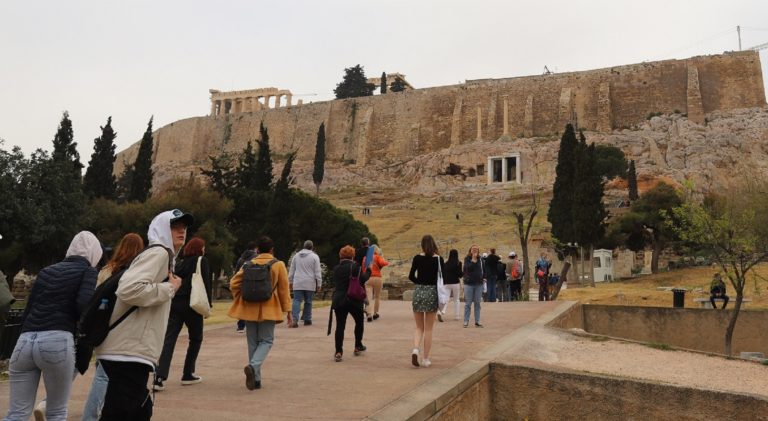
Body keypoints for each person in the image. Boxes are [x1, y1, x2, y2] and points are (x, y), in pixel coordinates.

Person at [95, 209, 190, 420]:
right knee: (130, 411)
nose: (181, 231)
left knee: (131, 410)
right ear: (162, 228)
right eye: (175, 226)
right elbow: (128, 289)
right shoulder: (159, 253)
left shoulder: (163, 256)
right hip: (128, 350)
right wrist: (170, 289)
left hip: (128, 349)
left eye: (184, 226)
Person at [4, 231, 102, 421]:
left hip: (25, 341)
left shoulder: (46, 271)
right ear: (94, 253)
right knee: (56, 413)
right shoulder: (88, 271)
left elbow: (29, 308)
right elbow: (83, 305)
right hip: (57, 339)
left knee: (16, 413)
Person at [81, 233, 144, 421]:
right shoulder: (137, 271)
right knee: (109, 377)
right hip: (124, 330)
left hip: (102, 327)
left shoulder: (107, 270)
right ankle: (90, 416)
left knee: (102, 373)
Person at [227, 236, 291, 390]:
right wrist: (287, 310)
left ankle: (255, 379)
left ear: (257, 250)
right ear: (271, 249)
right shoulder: (278, 265)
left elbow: (233, 283)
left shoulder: (249, 264)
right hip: (269, 307)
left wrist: (240, 297)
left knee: (252, 343)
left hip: (249, 307)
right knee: (267, 341)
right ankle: (253, 366)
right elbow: (284, 289)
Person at [155, 237, 212, 391]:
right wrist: (208, 307)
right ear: (200, 249)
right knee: (195, 338)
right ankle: (188, 373)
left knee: (170, 339)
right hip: (193, 304)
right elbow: (206, 285)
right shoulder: (201, 261)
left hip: (176, 303)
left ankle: (159, 377)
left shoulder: (180, 263)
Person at [408, 235, 444, 367]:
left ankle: (415, 349)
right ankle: (426, 358)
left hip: (419, 292)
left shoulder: (417, 258)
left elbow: (411, 275)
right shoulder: (439, 259)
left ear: (422, 245)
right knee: (429, 329)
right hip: (432, 292)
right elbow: (442, 278)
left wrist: (420, 283)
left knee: (419, 327)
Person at [331, 245, 371, 362]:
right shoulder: (355, 267)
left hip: (339, 299)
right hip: (353, 299)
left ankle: (338, 351)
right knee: (359, 322)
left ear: (341, 256)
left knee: (340, 326)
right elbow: (363, 279)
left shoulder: (336, 268)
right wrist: (368, 269)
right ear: (352, 256)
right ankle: (358, 345)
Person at [288, 240, 323, 327]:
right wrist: (319, 284)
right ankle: (307, 319)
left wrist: (290, 282)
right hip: (309, 282)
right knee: (308, 301)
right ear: (312, 247)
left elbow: (292, 270)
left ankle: (295, 320)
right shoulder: (315, 257)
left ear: (303, 246)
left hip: (298, 282)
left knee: (296, 300)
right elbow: (317, 272)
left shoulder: (296, 256)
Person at [233, 242, 258, 333]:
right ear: (255, 248)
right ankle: (251, 324)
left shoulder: (241, 258)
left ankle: (241, 325)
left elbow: (236, 272)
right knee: (252, 304)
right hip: (252, 283)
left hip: (242, 283)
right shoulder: (256, 258)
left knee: (242, 304)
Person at [364, 245, 389, 322]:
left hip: (368, 278)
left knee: (369, 297)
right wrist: (385, 260)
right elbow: (384, 263)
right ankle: (375, 313)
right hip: (378, 278)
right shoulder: (377, 257)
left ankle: (369, 314)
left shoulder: (365, 258)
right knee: (377, 297)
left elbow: (363, 268)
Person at [463, 245, 485, 328]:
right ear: (470, 250)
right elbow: (467, 268)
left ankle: (477, 321)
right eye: (473, 249)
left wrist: (484, 277)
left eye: (476, 249)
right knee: (468, 303)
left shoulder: (481, 259)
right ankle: (466, 320)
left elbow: (483, 269)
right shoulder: (467, 259)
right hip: (469, 284)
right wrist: (473, 260)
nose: (475, 251)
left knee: (477, 303)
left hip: (479, 283)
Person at [438, 249, 462, 322]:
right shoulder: (458, 263)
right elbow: (460, 274)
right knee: (456, 299)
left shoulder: (445, 263)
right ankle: (457, 316)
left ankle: (441, 311)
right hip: (455, 283)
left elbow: (443, 274)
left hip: (447, 283)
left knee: (445, 298)